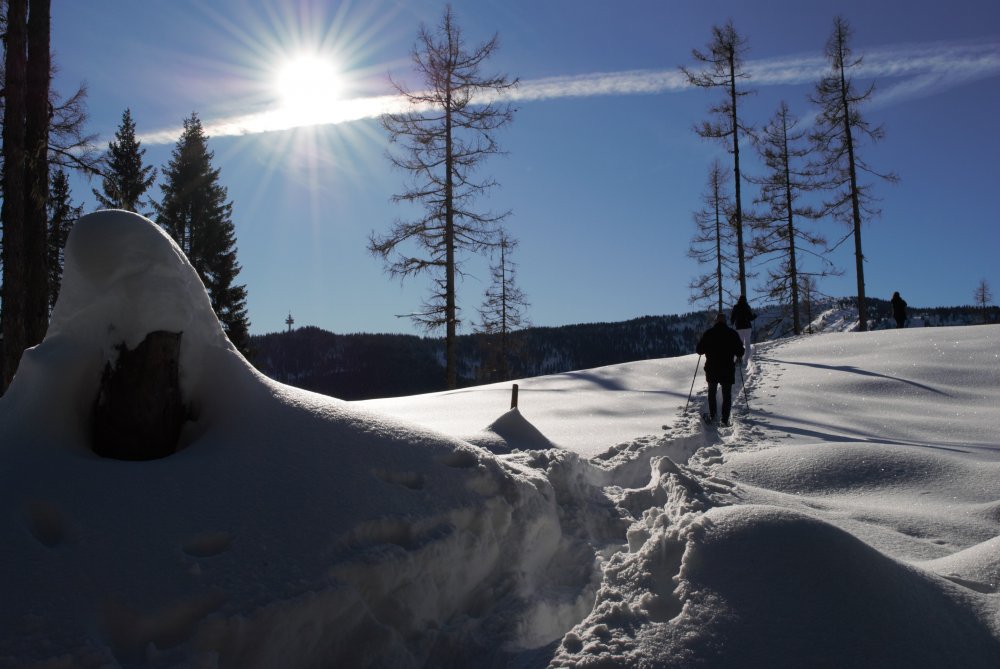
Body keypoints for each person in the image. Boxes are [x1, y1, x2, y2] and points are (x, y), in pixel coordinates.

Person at [696, 312, 745, 426]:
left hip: (712, 368)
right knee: (726, 394)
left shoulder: (709, 333)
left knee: (712, 393)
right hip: (727, 369)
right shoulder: (732, 333)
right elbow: (740, 352)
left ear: (715, 321)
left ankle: (713, 416)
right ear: (725, 321)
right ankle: (724, 419)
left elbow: (699, 350)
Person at [730, 294, 756, 364]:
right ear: (745, 300)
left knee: (739, 343)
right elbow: (750, 318)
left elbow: (732, 318)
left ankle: (739, 358)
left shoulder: (736, 307)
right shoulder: (747, 306)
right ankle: (745, 360)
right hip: (747, 327)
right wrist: (754, 316)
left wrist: (732, 322)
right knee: (747, 343)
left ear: (739, 300)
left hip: (739, 327)